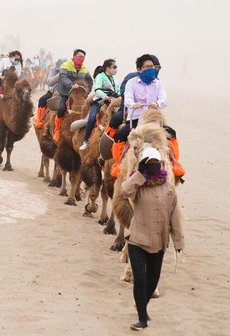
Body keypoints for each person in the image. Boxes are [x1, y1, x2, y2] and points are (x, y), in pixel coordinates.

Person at [121, 147, 185, 331]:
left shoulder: (169, 188)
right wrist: (139, 173)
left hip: (159, 243)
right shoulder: (137, 185)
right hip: (137, 241)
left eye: (156, 163)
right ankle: (142, 318)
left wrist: (179, 243)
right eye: (149, 163)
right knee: (140, 280)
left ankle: (142, 304)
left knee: (153, 281)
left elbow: (175, 217)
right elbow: (125, 191)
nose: (153, 166)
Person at [109, 54, 185, 180]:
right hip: (136, 119)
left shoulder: (159, 84)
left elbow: (164, 100)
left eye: (152, 66)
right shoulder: (131, 83)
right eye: (147, 67)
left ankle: (175, 164)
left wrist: (157, 103)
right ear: (139, 69)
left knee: (171, 133)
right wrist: (133, 104)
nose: (151, 69)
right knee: (120, 135)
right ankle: (119, 164)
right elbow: (127, 99)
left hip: (153, 120)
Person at [79, 59, 120, 150]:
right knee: (92, 118)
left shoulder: (114, 78)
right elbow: (97, 89)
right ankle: (85, 140)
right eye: (114, 67)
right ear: (108, 68)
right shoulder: (100, 77)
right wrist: (104, 96)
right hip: (100, 101)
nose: (115, 69)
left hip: (113, 101)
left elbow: (117, 90)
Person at [54, 49, 94, 141]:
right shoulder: (65, 65)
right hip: (66, 93)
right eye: (80, 56)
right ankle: (57, 129)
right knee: (61, 108)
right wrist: (71, 85)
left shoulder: (84, 69)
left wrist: (87, 92)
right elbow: (63, 77)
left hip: (80, 95)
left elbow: (90, 81)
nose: (82, 58)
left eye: (83, 57)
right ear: (74, 56)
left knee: (89, 110)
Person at [33, 57, 67, 129]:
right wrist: (59, 75)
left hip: (65, 92)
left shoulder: (69, 71)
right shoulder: (53, 70)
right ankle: (39, 120)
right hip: (53, 91)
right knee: (42, 100)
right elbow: (49, 81)